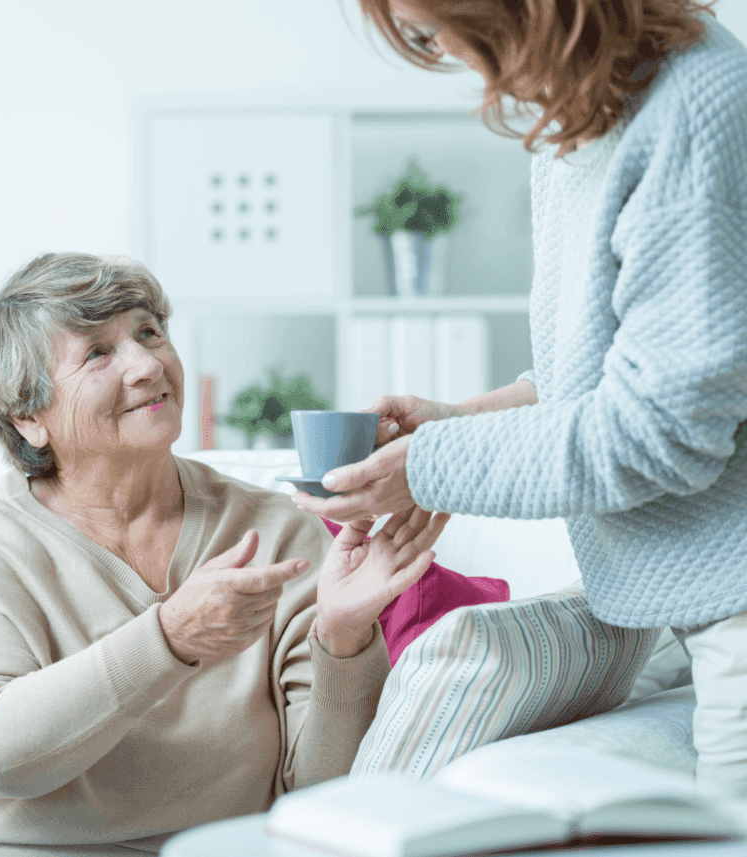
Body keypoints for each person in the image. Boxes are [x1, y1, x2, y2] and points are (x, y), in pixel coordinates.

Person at [294, 0, 747, 799]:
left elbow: (663, 428)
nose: (456, 65)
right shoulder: (574, 120)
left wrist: (430, 465)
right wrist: (461, 420)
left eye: (437, 34)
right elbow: (595, 382)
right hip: (688, 599)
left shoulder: (696, 103)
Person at [0, 252, 448, 857]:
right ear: (29, 418)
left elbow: (315, 800)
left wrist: (345, 637)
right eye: (97, 353)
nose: (146, 365)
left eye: (149, 332)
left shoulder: (274, 531)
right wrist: (168, 639)